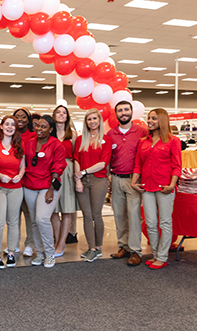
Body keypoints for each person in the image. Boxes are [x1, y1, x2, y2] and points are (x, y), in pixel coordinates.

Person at [132, 108, 182, 270]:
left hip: (165, 187)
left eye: (154, 118)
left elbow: (176, 165)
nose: (150, 121)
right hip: (147, 187)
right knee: (151, 222)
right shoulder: (143, 142)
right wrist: (134, 182)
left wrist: (172, 185)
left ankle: (162, 256)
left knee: (165, 222)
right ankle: (155, 254)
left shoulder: (173, 141)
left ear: (162, 120)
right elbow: (138, 165)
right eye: (149, 118)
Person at [107, 101, 148, 266]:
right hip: (116, 178)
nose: (123, 113)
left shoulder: (142, 132)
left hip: (134, 181)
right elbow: (108, 157)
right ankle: (123, 246)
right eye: (120, 110)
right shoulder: (111, 134)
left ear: (131, 112)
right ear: (116, 114)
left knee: (134, 216)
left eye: (126, 109)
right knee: (119, 215)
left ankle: (135, 250)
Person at [24, 115, 67, 268]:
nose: (39, 129)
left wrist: (50, 190)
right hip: (29, 185)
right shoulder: (29, 143)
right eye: (37, 126)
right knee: (34, 221)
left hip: (48, 186)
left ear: (50, 129)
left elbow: (58, 168)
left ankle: (49, 254)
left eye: (43, 127)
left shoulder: (56, 145)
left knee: (42, 218)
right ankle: (40, 253)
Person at [74, 109, 112, 263]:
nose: (92, 122)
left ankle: (98, 247)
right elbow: (76, 158)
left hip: (98, 180)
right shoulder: (80, 139)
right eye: (89, 119)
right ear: (86, 122)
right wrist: (77, 179)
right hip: (82, 180)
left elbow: (103, 163)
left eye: (94, 118)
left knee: (96, 215)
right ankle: (91, 248)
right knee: (86, 216)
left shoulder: (106, 140)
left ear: (99, 120)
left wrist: (83, 172)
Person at [0, 115, 25, 268]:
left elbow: (23, 165)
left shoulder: (19, 144)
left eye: (13, 125)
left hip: (16, 188)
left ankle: (11, 253)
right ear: (1, 126)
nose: (10, 127)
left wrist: (20, 175)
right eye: (7, 124)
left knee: (14, 221)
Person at [50, 105, 78, 257]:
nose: (61, 114)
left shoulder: (72, 134)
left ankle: (62, 243)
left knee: (67, 209)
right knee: (53, 210)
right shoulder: (49, 133)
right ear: (54, 115)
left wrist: (76, 176)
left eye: (64, 113)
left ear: (67, 117)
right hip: (52, 171)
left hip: (67, 171)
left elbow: (75, 156)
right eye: (58, 112)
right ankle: (56, 240)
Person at [13, 108, 35, 257]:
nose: (20, 119)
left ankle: (30, 244)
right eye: (17, 117)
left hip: (29, 180)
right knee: (13, 215)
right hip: (12, 181)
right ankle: (13, 244)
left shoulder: (34, 135)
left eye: (23, 117)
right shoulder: (9, 134)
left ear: (28, 120)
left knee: (29, 214)